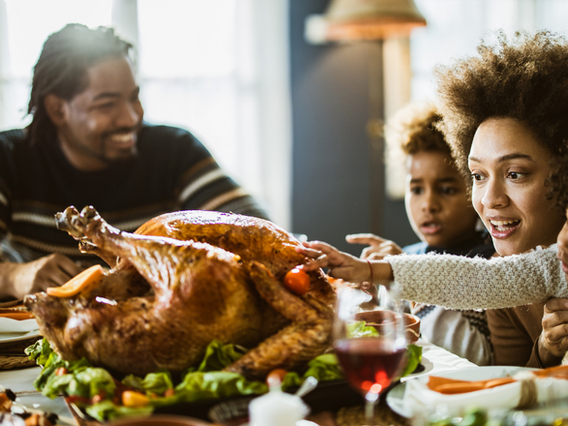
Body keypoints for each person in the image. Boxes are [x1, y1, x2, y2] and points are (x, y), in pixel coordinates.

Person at [300, 30, 568, 369]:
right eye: (478, 176)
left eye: (515, 174)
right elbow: (511, 388)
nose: (489, 200)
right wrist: (546, 350)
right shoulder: (508, 285)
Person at [0, 24, 267, 300]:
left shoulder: (176, 150)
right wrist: (13, 276)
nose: (131, 118)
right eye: (106, 105)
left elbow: (255, 232)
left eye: (133, 97)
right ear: (57, 109)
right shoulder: (8, 156)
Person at [347, 101, 493, 365]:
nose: (428, 204)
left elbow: (475, 355)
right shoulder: (410, 252)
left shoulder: (487, 262)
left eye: (446, 189)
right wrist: (372, 305)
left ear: (475, 190)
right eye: (416, 189)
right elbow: (401, 345)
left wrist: (407, 278)